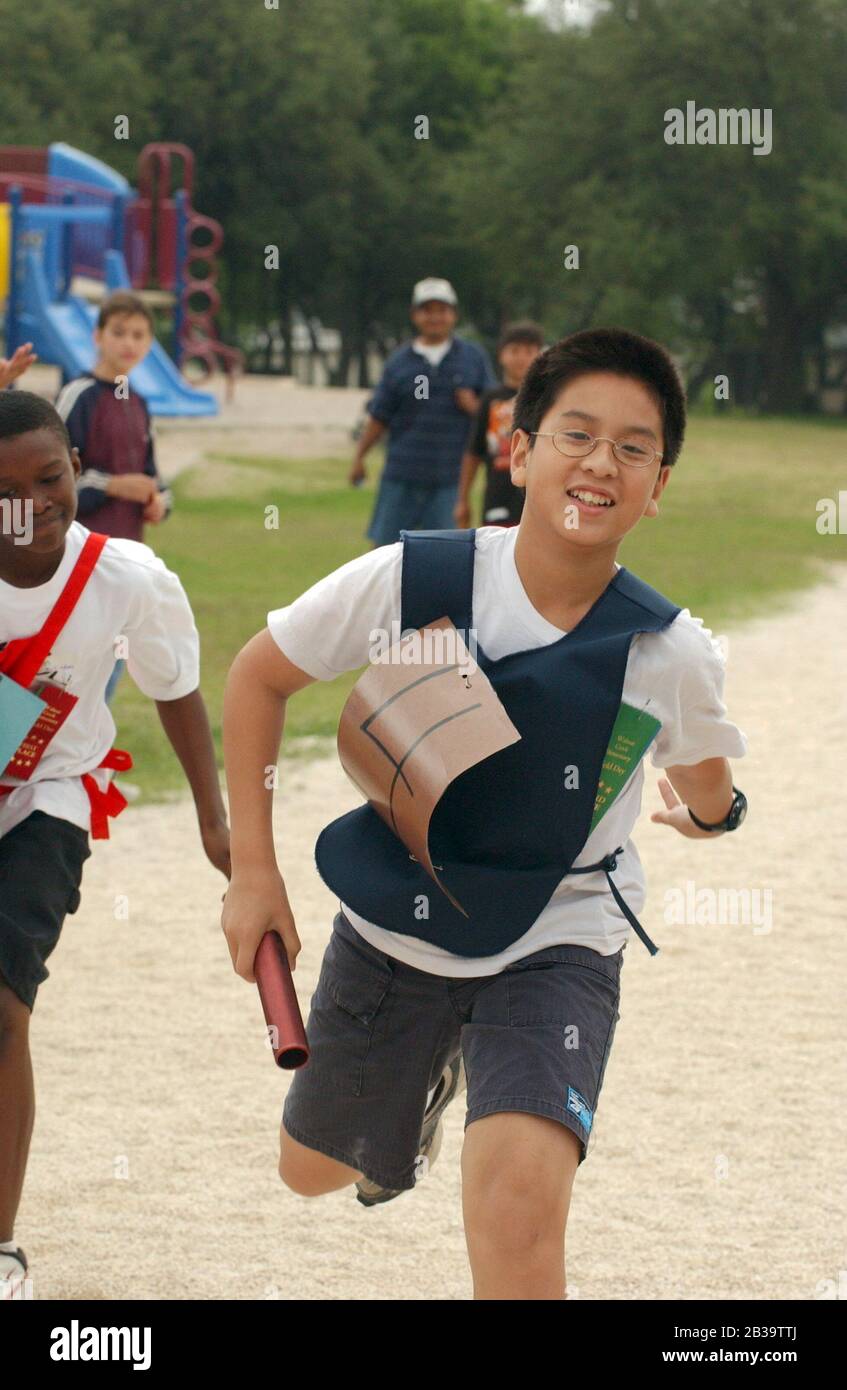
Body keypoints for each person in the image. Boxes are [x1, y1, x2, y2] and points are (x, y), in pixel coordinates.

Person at [221, 328, 748, 1301]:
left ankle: (492, 1073)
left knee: (515, 1205)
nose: (601, 463)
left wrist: (711, 816)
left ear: (658, 483)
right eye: (576, 434)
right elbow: (259, 675)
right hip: (399, 919)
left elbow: (707, 781)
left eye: (634, 448)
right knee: (312, 1169)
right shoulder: (416, 579)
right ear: (516, 449)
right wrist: (253, 871)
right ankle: (420, 1092)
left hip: (559, 934)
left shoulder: (667, 651)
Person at [0, 391, 230, 1299]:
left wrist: (215, 820)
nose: (31, 502)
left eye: (49, 477)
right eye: (5, 487)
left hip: (45, 800)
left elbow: (175, 689)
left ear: (76, 470)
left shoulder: (126, 578)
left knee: (4, 1012)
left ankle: (2, 1245)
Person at [55, 290, 171, 703]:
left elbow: (157, 480)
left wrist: (160, 502)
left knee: (109, 674)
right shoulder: (78, 395)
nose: (129, 343)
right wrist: (112, 485)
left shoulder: (140, 404)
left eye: (139, 335)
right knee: (65, 673)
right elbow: (54, 484)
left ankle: (91, 762)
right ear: (98, 336)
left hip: (125, 562)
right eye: (119, 332)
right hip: (75, 561)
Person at [349, 278, 496, 546]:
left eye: (442, 310)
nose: (435, 317)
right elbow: (379, 415)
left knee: (446, 557)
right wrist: (359, 457)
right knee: (385, 555)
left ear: (453, 314)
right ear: (415, 315)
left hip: (449, 479)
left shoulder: (473, 358)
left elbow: (496, 413)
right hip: (401, 474)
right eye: (428, 310)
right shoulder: (399, 362)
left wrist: (474, 407)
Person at [454, 320, 546, 530]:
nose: (522, 358)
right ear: (501, 355)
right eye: (514, 350)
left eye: (529, 351)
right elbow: (474, 451)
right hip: (498, 495)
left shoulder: (548, 398)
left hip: (537, 496)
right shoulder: (490, 399)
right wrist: (462, 499)